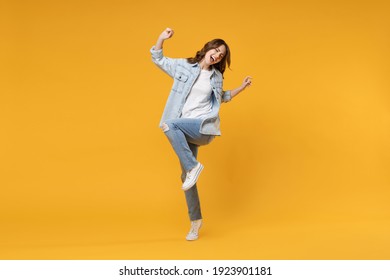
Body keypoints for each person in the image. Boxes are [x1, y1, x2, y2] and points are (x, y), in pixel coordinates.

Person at [150, 27, 252, 241]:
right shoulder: (185, 66)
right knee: (187, 179)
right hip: (183, 128)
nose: (217, 55)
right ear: (208, 48)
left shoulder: (216, 77)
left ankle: (193, 166)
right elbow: (158, 59)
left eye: (221, 55)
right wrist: (162, 38)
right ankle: (195, 222)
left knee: (168, 125)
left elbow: (222, 97)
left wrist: (241, 88)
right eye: (216, 50)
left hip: (202, 127)